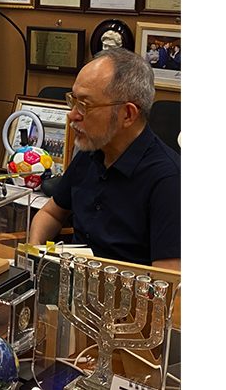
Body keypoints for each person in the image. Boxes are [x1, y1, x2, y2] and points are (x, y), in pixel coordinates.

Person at [28, 47, 180, 270]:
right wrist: (34, 254)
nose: (72, 115)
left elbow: (168, 280)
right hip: (70, 279)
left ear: (127, 114)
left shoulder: (169, 180)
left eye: (85, 105)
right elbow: (51, 213)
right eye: (73, 101)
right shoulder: (91, 150)